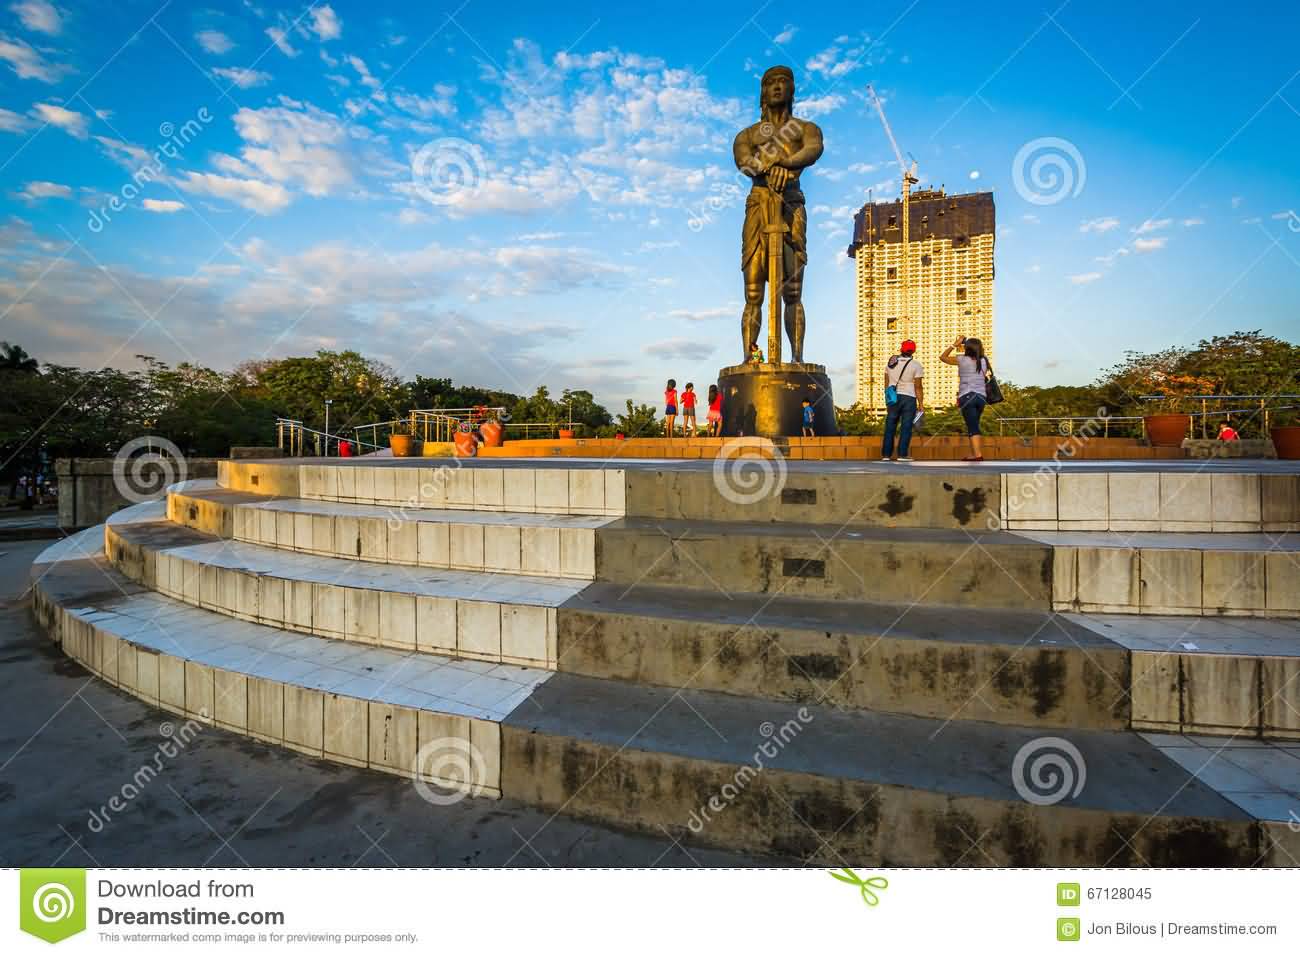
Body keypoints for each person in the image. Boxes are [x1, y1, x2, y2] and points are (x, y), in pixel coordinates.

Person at [941, 335, 989, 461]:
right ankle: (974, 453)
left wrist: (955, 344)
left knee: (972, 426)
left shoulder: (962, 359)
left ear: (967, 348)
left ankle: (978, 455)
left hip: (967, 395)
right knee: (974, 425)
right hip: (981, 397)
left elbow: (943, 357)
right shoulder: (984, 360)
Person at [881, 339, 924, 462]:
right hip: (909, 397)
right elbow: (918, 387)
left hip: (893, 397)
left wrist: (888, 397)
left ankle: (886, 455)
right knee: (906, 426)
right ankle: (902, 454)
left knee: (890, 425)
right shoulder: (916, 365)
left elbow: (886, 382)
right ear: (913, 351)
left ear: (901, 349)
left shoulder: (890, 364)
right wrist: (921, 404)